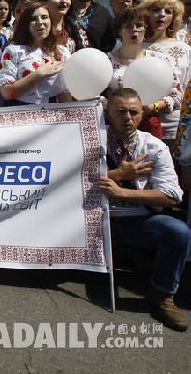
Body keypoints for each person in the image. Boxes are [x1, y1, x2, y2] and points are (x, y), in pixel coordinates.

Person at [99, 88, 190, 331]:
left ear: (141, 115)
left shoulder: (155, 147)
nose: (127, 117)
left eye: (133, 112)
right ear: (108, 113)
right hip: (93, 221)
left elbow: (173, 196)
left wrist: (122, 192)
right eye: (120, 112)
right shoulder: (89, 139)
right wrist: (117, 174)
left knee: (178, 231)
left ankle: (161, 294)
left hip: (138, 222)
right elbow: (63, 181)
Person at [106, 8, 179, 140]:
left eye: (139, 25)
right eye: (128, 26)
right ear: (119, 30)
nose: (134, 29)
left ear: (146, 30)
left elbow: (175, 94)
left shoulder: (160, 60)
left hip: (149, 127)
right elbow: (96, 96)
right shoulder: (106, 60)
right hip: (115, 127)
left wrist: (153, 106)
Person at [139, 0, 191, 150]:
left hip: (175, 124)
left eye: (168, 11)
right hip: (140, 121)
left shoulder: (184, 49)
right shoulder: (134, 45)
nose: (162, 14)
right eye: (155, 10)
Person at [0, 3, 70, 105]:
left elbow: (66, 93)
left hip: (53, 113)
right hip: (22, 113)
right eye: (33, 19)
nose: (40, 22)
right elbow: (6, 92)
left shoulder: (62, 52)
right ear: (26, 24)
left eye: (44, 17)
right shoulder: (13, 51)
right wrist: (38, 74)